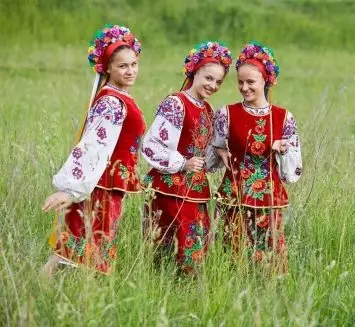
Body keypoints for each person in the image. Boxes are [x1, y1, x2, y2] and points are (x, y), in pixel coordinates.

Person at [41, 24, 146, 275]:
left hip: (110, 185)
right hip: (100, 186)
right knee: (80, 247)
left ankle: (71, 297)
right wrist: (71, 190)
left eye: (133, 64)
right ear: (107, 67)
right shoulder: (111, 101)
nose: (130, 70)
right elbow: (93, 147)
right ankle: (42, 289)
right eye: (123, 66)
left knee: (85, 249)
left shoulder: (120, 97)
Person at [208, 41, 302, 273]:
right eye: (240, 82)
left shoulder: (283, 117)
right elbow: (212, 151)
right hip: (234, 194)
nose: (244, 87)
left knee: (270, 256)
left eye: (251, 82)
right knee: (232, 253)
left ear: (265, 81)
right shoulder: (226, 114)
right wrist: (220, 151)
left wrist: (283, 149)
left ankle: (271, 294)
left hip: (268, 196)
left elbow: (293, 171)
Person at [141, 41, 232, 273]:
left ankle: (188, 294)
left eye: (219, 81)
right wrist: (182, 162)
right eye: (208, 78)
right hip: (169, 188)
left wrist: (219, 153)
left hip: (196, 189)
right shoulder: (176, 103)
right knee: (168, 249)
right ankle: (161, 291)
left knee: (195, 247)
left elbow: (201, 153)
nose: (213, 85)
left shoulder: (208, 109)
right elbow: (151, 145)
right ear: (194, 72)